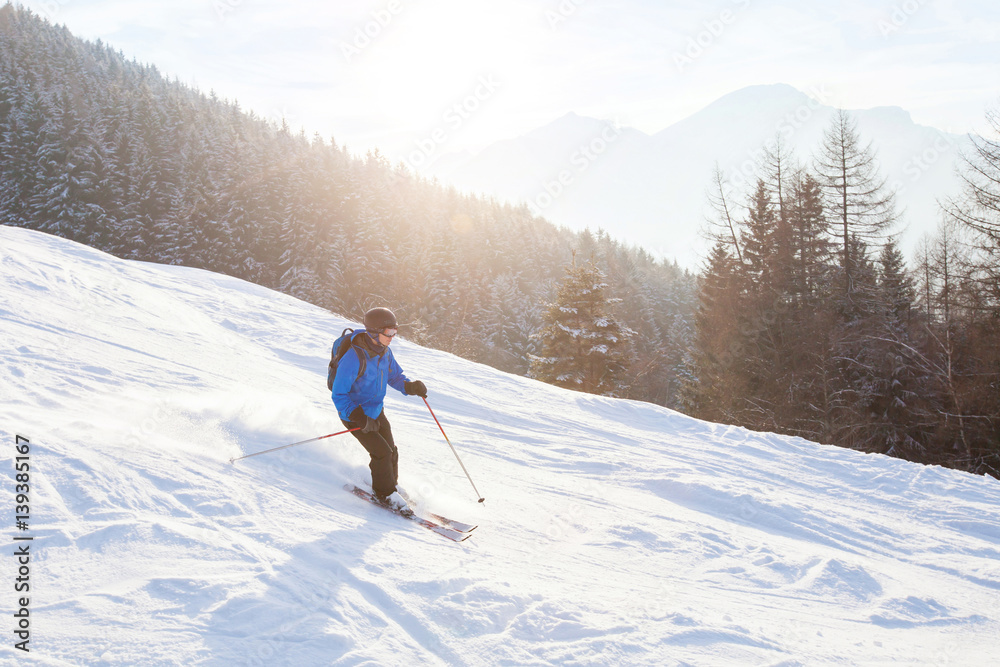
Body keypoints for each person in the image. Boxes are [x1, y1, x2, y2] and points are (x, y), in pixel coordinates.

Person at [332, 307, 427, 509]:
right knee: (381, 453)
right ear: (375, 332)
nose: (393, 337)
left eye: (395, 331)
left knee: (391, 451)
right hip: (354, 415)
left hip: (375, 410)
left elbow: (394, 376)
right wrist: (357, 416)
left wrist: (409, 386)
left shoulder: (385, 352)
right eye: (389, 332)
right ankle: (385, 495)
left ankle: (391, 486)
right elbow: (338, 394)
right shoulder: (353, 358)